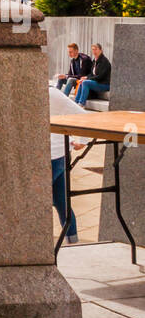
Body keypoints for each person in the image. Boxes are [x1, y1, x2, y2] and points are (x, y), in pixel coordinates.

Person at [49, 83, 88, 246]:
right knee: (61, 201)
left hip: (54, 155)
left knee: (34, 202)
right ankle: (73, 242)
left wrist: (83, 140)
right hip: (58, 154)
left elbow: (83, 115)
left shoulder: (51, 94)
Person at [74, 43, 111, 108]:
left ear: (101, 50)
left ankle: (81, 103)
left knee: (85, 82)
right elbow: (92, 73)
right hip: (97, 82)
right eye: (93, 50)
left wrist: (87, 78)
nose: (94, 51)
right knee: (82, 82)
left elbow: (100, 76)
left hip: (104, 84)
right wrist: (86, 77)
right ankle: (75, 103)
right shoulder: (95, 61)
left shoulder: (104, 61)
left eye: (96, 49)